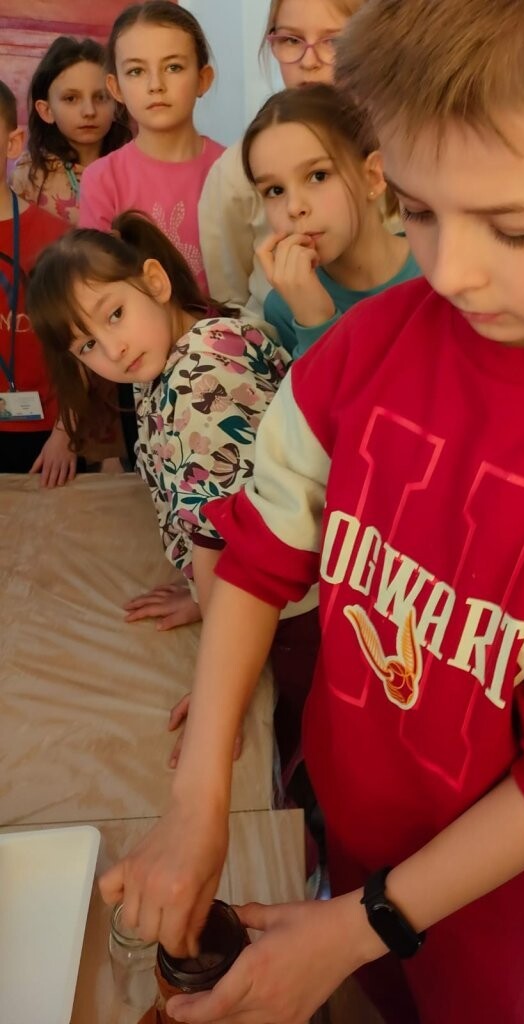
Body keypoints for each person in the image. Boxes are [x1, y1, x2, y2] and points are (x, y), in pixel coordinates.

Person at [98, 3, 524, 1024]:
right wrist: (197, 799)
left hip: (494, 893)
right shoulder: (366, 347)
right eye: (417, 210)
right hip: (348, 815)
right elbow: (262, 556)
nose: (450, 271)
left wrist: (367, 921)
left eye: (517, 227)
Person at [27, 211, 317, 769]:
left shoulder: (198, 376)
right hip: (268, 599)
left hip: (291, 615)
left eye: (115, 314)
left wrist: (218, 701)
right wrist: (202, 599)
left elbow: (226, 546)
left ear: (155, 282)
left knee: (296, 757)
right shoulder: (180, 344)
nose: (113, 350)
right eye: (87, 346)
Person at [199, 0, 363, 314]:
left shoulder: (404, 154)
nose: (309, 61)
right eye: (291, 40)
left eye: (333, 42)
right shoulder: (233, 173)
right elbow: (231, 302)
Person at [247, 85, 419, 358]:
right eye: (275, 191)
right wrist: (314, 321)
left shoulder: (440, 270)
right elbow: (325, 387)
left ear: (373, 176)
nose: (294, 207)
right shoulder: (285, 306)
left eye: (318, 176)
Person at [79, 2, 224, 293]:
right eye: (136, 71)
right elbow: (100, 287)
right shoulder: (102, 180)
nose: (155, 85)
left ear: (202, 79)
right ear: (116, 88)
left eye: (173, 67)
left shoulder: (232, 170)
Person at [0, 80, 75, 482]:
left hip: (46, 437)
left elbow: (81, 345)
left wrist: (66, 433)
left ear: (12, 143)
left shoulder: (55, 239)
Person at [11, 36, 131, 226]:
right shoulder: (29, 176)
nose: (89, 111)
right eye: (71, 99)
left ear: (117, 103)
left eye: (100, 97)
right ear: (46, 110)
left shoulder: (133, 170)